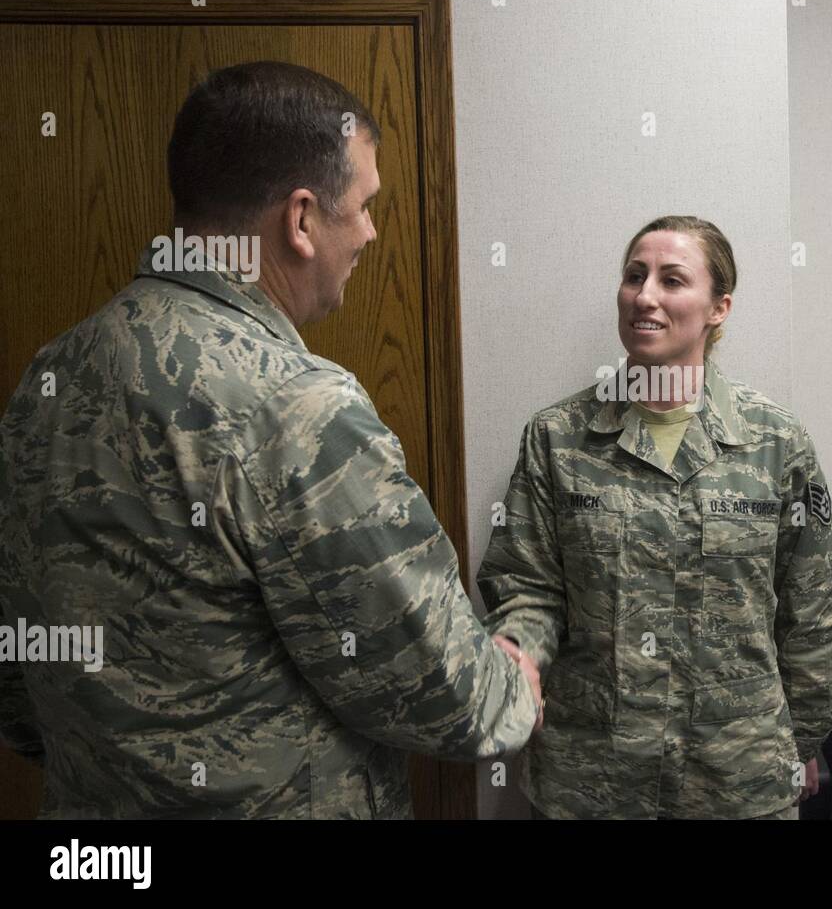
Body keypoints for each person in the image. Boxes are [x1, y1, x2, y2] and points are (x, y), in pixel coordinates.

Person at [0, 61, 540, 819]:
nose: (371, 232)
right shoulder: (293, 406)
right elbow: (448, 695)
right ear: (301, 219)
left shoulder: (47, 378)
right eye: (363, 206)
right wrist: (513, 681)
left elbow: (17, 681)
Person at [477, 215, 832, 819]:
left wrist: (793, 742)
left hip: (736, 783)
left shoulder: (776, 443)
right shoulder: (558, 438)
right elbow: (527, 586)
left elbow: (818, 616)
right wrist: (518, 654)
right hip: (590, 781)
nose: (644, 296)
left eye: (672, 279)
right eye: (634, 276)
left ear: (719, 308)